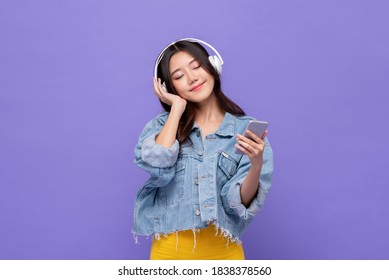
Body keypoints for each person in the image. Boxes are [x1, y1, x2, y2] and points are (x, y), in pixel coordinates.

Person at [133, 38, 273, 260]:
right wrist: (177, 108)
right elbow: (157, 163)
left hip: (224, 255)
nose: (192, 78)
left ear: (213, 67)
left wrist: (256, 164)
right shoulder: (163, 126)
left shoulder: (243, 129)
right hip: (169, 254)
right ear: (169, 87)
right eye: (178, 76)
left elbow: (238, 204)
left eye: (196, 67)